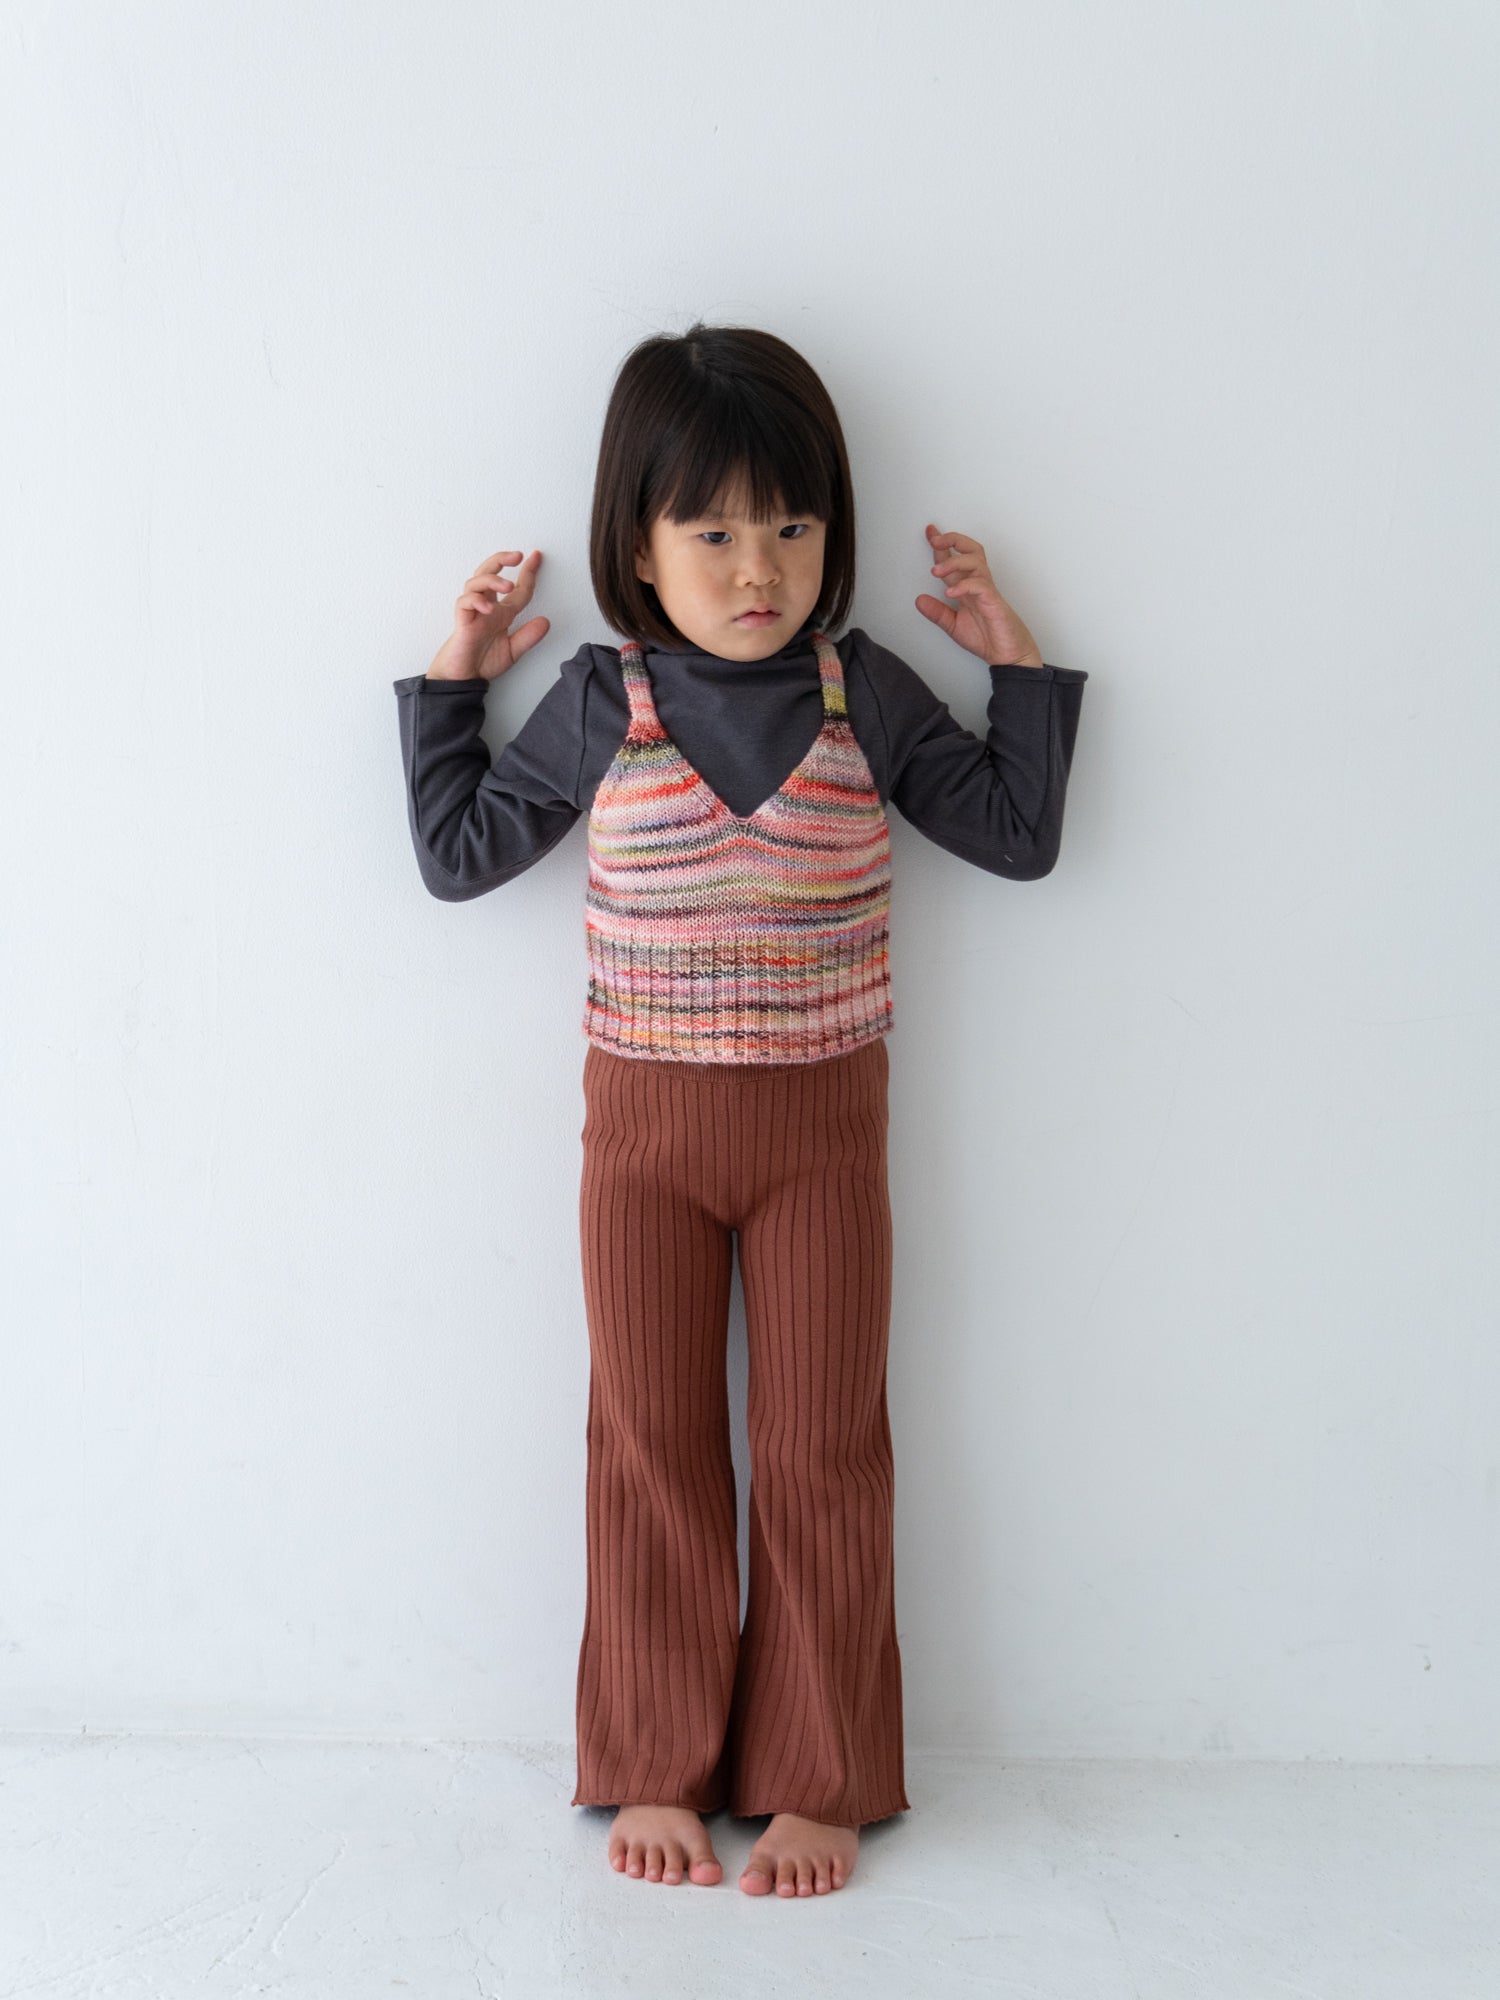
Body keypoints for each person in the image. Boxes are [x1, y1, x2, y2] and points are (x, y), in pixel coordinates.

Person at [392, 322, 1089, 1898]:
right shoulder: (603, 698)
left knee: (823, 1444)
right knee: (650, 1443)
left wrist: (1017, 660)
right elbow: (458, 856)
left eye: (791, 524)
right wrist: (453, 682)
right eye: (710, 531)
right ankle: (653, 1759)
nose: (757, 565)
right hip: (641, 1144)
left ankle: (819, 1773)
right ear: (637, 547)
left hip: (823, 1141)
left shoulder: (865, 691)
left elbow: (1018, 834)